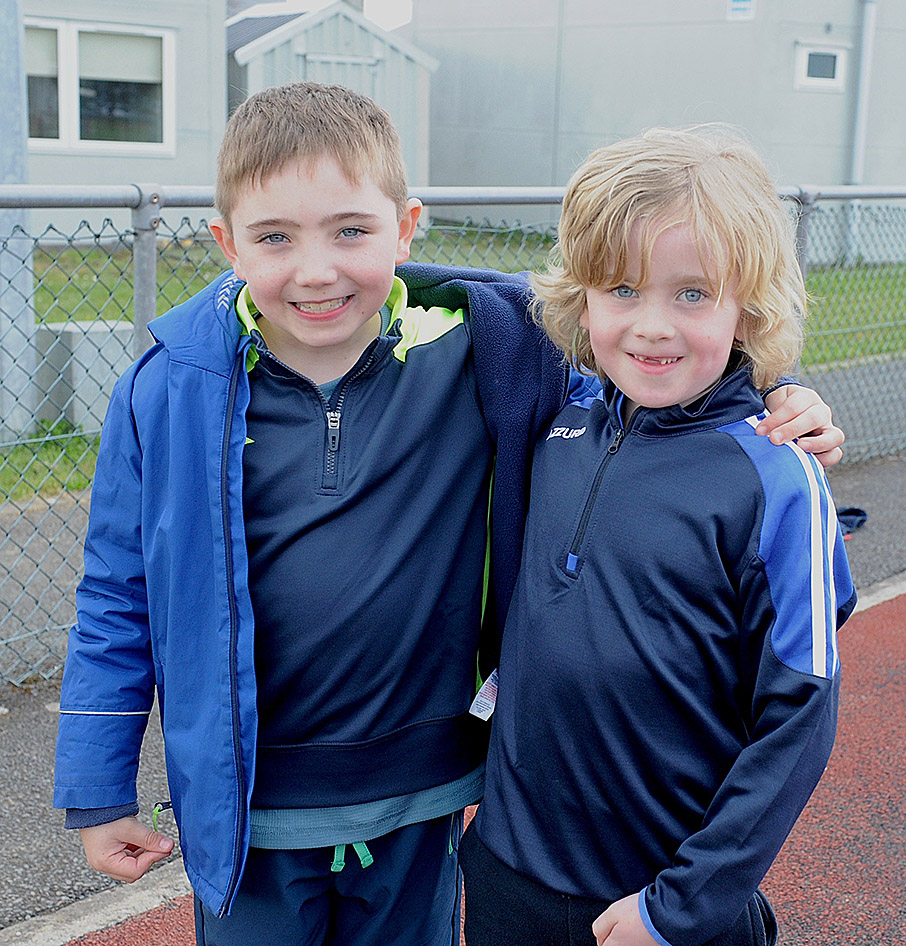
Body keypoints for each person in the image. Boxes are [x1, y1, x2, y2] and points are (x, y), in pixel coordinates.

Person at [53, 83, 843, 946]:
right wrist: (96, 785)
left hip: (424, 798)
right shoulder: (169, 389)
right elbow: (117, 593)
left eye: (350, 231)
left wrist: (776, 390)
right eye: (275, 237)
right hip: (250, 805)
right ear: (225, 244)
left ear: (405, 228)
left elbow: (657, 360)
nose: (315, 270)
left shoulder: (486, 349)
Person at [460, 126, 857, 946]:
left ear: (748, 306)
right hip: (507, 872)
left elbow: (800, 714)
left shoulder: (778, 474)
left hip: (658, 899)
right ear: (581, 296)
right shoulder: (560, 415)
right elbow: (433, 283)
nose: (651, 326)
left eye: (692, 294)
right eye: (621, 288)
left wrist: (679, 907)